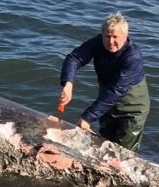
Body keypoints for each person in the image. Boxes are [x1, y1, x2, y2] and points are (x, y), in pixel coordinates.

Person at [58, 12, 150, 151]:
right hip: (107, 106)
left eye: (115, 37)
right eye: (107, 36)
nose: (110, 41)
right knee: (103, 145)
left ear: (125, 37)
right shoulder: (97, 43)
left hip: (131, 111)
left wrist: (87, 118)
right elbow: (74, 58)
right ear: (101, 34)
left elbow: (116, 90)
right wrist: (68, 83)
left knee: (123, 153)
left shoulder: (133, 57)